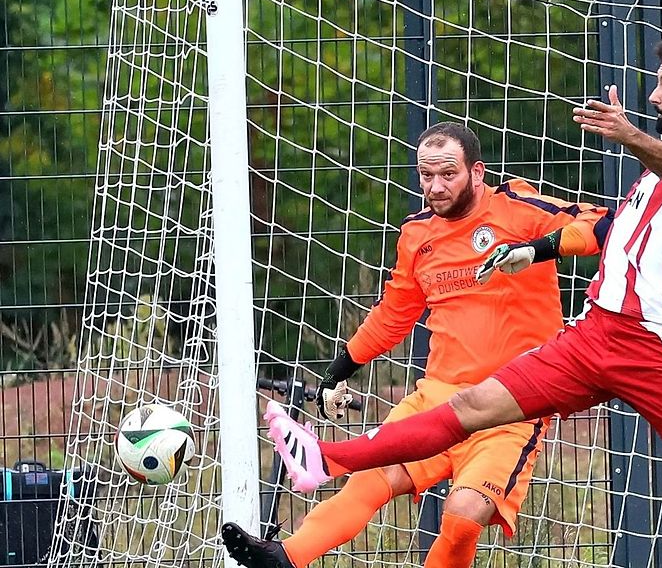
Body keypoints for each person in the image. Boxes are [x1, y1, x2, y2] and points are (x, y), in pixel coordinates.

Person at [238, 36, 662, 568]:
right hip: (594, 333)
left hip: (655, 343)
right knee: (475, 403)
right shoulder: (422, 235)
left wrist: (626, 136)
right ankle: (325, 458)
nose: (654, 94)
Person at [221, 122, 610, 568]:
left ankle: (324, 464)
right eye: (426, 176)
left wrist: (539, 249)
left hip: (511, 406)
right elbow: (394, 313)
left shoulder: (518, 207)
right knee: (368, 483)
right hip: (436, 400)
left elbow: (600, 223)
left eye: (448, 174)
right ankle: (285, 558)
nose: (436, 186)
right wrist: (337, 372)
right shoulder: (417, 234)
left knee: (463, 517)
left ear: (476, 172)